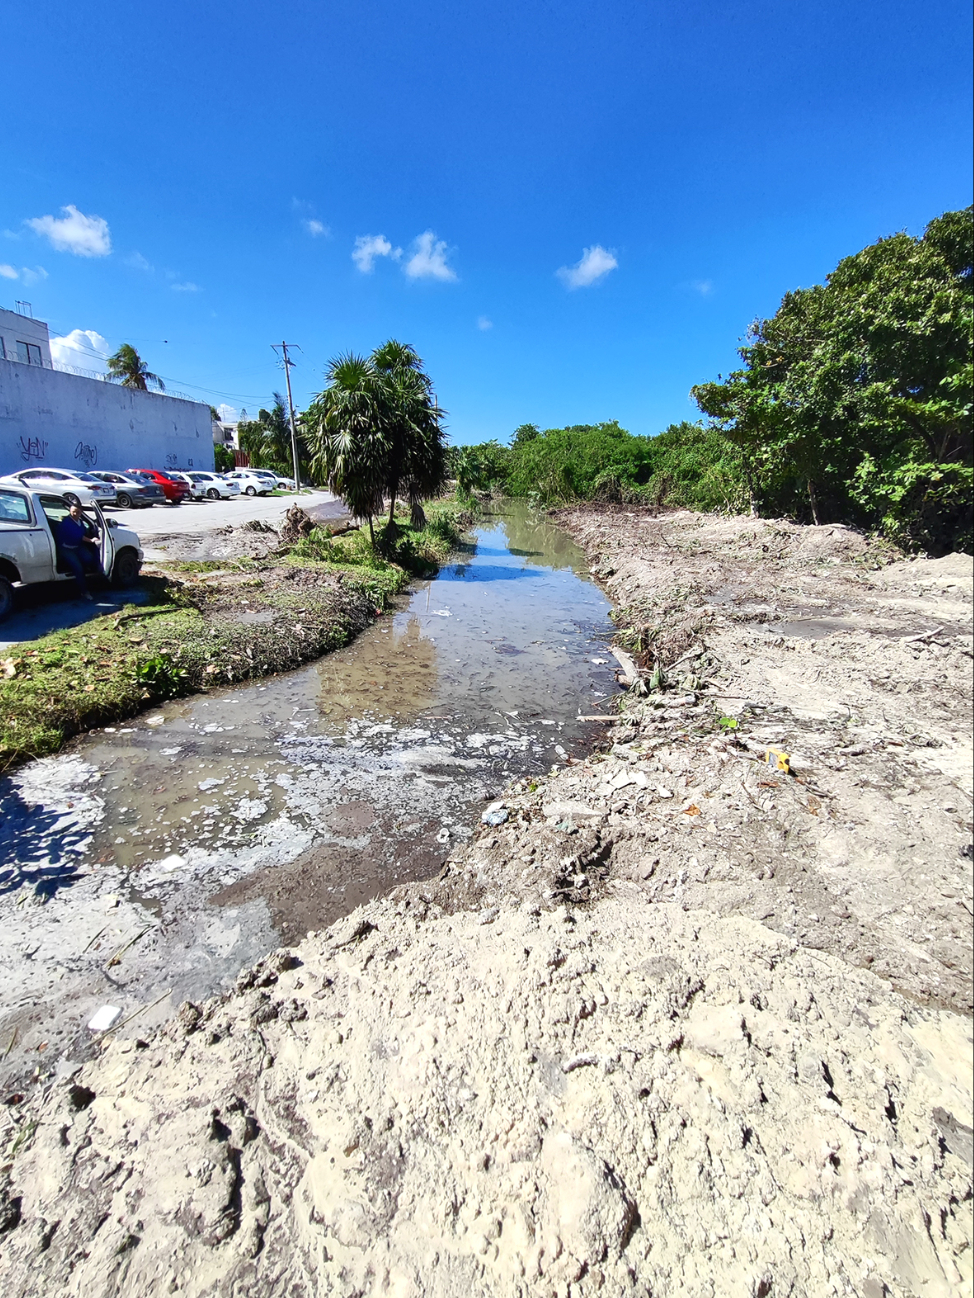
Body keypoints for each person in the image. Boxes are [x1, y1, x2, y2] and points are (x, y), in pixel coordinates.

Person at [56, 502, 105, 601]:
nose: (75, 514)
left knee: (89, 558)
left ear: (81, 512)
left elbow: (84, 531)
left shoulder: (80, 522)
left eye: (78, 512)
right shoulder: (66, 522)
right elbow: (79, 536)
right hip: (66, 548)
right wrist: (91, 540)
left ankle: (94, 577)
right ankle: (84, 592)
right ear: (70, 511)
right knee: (78, 569)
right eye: (73, 512)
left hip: (77, 546)